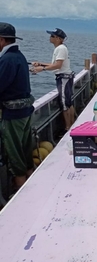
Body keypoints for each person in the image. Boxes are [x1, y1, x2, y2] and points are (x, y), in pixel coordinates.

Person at [0, 22, 35, 193]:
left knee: (14, 153)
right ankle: (31, 183)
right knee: (26, 149)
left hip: (13, 115)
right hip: (25, 112)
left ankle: (22, 191)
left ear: (1, 40)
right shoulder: (19, 56)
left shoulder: (7, 60)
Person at [32, 28, 75, 132]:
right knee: (68, 102)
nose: (50, 37)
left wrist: (41, 69)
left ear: (58, 39)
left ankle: (68, 128)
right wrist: (40, 63)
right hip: (65, 77)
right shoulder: (61, 48)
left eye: (52, 36)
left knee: (65, 104)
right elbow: (56, 64)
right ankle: (72, 125)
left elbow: (57, 66)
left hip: (63, 78)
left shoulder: (60, 49)